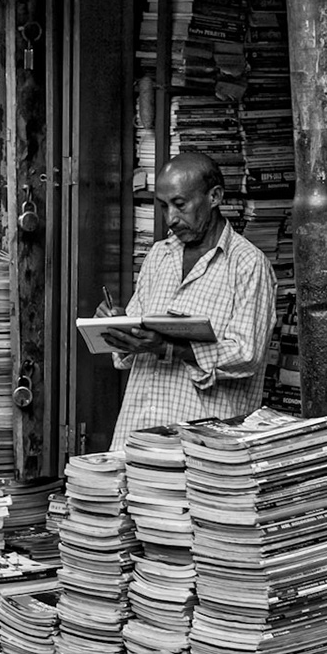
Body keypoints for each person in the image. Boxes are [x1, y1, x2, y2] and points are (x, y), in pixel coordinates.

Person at [101, 151, 276, 449]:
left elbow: (247, 355)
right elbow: (130, 354)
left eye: (180, 205)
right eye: (163, 206)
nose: (171, 219)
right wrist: (120, 328)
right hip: (138, 431)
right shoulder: (159, 255)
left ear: (214, 197)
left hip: (203, 447)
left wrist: (168, 347)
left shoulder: (248, 265)